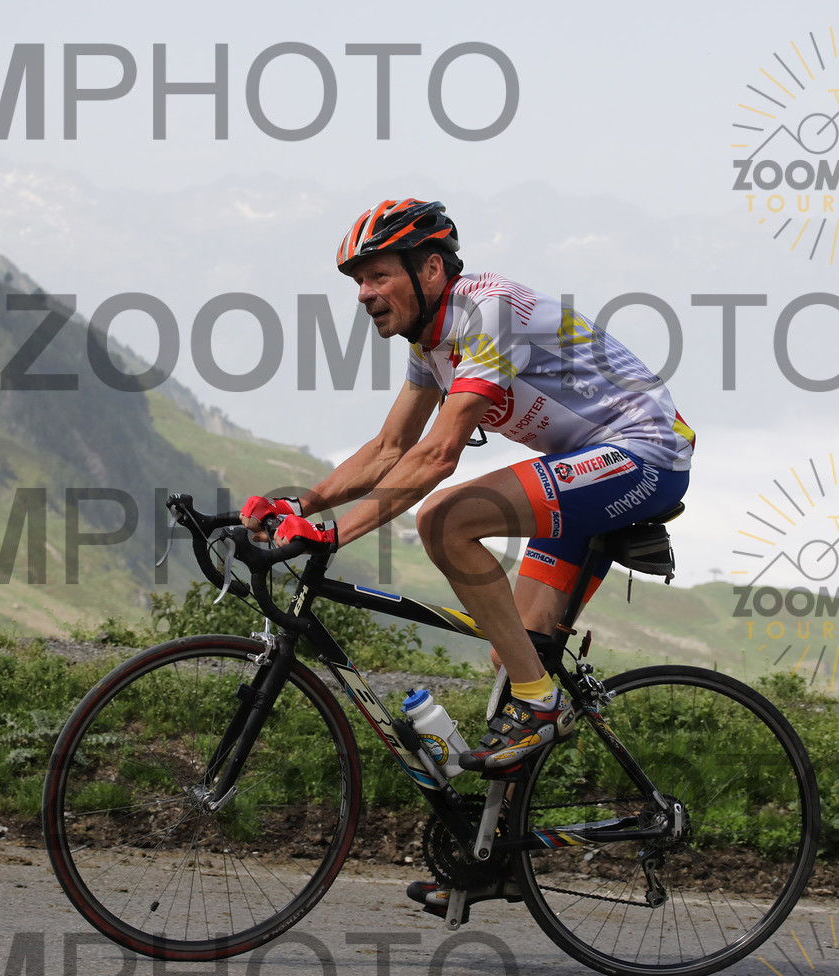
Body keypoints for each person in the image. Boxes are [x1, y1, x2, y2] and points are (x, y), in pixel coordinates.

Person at [240, 198, 694, 915]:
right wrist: (300, 505)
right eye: (357, 281)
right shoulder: (430, 343)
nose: (363, 294)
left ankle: (542, 702)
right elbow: (389, 448)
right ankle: (498, 859)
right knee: (515, 653)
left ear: (429, 270)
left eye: (377, 275)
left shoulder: (487, 312)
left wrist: (332, 535)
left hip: (645, 453)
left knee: (446, 519)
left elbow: (437, 456)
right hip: (585, 463)